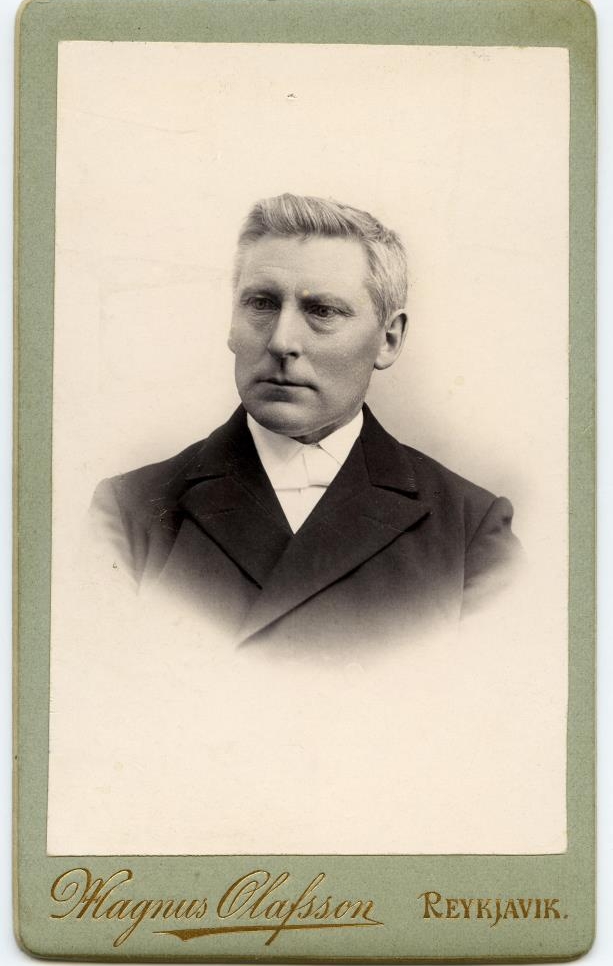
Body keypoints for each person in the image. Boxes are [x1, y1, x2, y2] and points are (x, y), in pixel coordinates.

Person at [91, 193, 521, 650]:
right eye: (261, 303)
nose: (281, 341)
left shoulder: (470, 531)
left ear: (388, 340)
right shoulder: (130, 512)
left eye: (322, 311)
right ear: (232, 322)